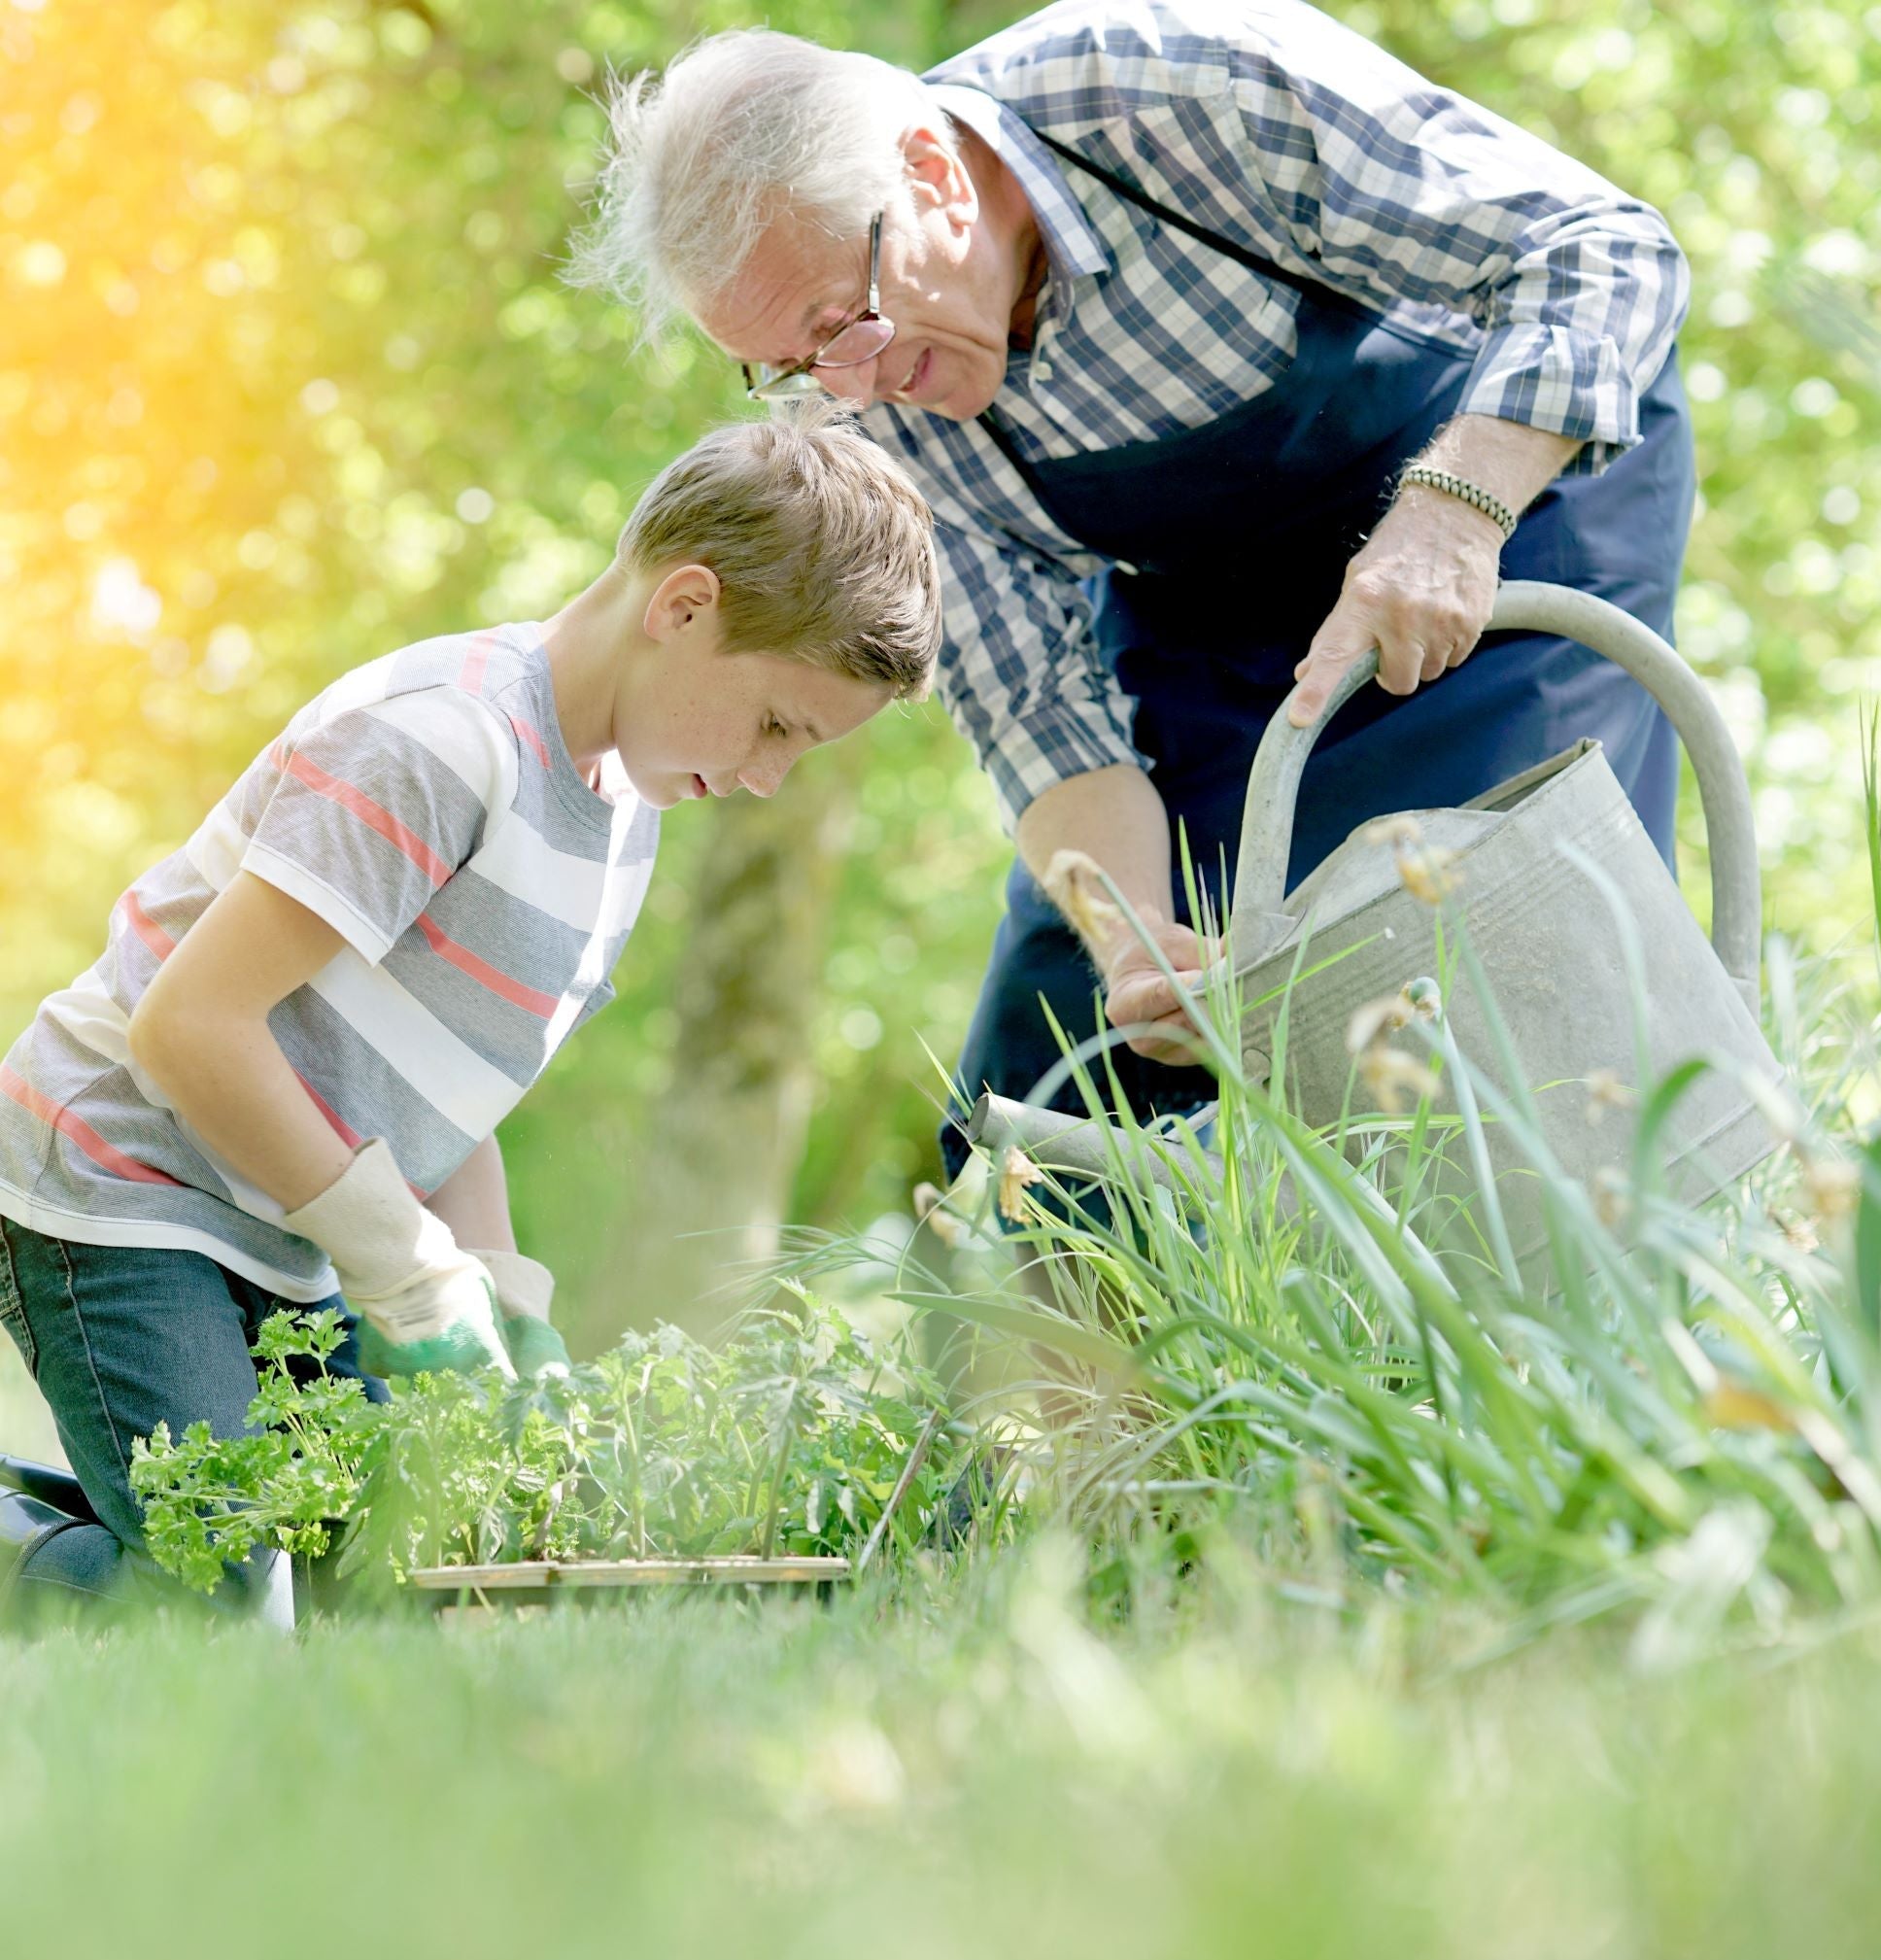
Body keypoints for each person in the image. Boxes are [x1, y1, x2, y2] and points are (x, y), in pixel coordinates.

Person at [574, 0, 1695, 1176]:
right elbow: (1032, 704)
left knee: (1458, 967)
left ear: (930, 179)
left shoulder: (1170, 82)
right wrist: (1132, 944)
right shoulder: (860, 403)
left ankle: (1577, 1269)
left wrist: (1449, 517)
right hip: (1215, 609)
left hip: (1504, 509)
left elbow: (1599, 251)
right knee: (1059, 1087)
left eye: (838, 327)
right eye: (792, 368)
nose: (847, 396)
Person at [0, 405, 940, 1621]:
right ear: (682, 607)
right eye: (774, 724)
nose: (767, 776)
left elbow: (449, 1089)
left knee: (391, 1590)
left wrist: (503, 1300)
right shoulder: (444, 740)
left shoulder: (621, 822)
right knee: (221, 1609)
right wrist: (406, 1272)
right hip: (124, 1180)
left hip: (283, 1220)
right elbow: (186, 1029)